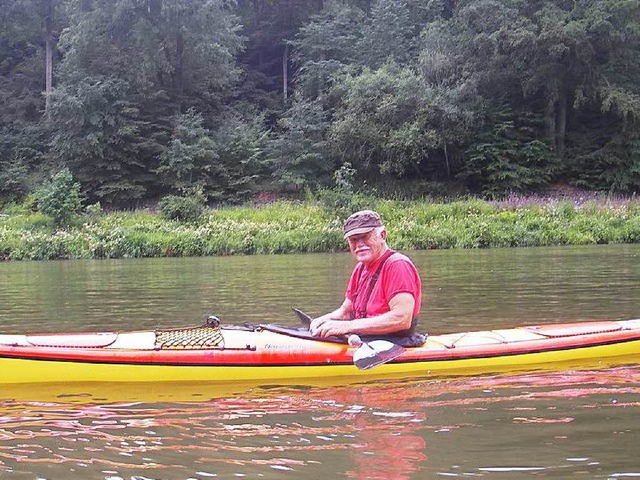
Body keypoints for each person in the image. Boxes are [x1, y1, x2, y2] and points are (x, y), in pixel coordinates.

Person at [310, 210, 424, 346]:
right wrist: (322, 320)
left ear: (382, 235)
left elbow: (402, 319)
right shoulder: (360, 268)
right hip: (365, 340)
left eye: (365, 237)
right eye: (353, 240)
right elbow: (346, 312)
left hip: (394, 345)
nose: (359, 245)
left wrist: (347, 327)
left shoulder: (398, 265)